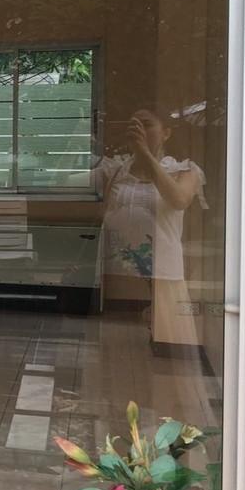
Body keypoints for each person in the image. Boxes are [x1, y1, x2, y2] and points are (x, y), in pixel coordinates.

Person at [96, 109, 205, 355]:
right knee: (113, 352)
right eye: (133, 125)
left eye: (146, 125)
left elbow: (179, 200)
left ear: (166, 133)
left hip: (163, 272)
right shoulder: (116, 169)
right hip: (119, 272)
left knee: (167, 346)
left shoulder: (184, 169)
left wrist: (144, 153)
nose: (139, 130)